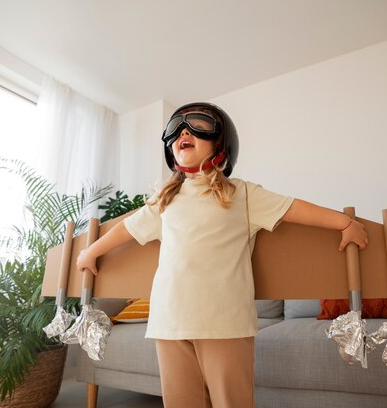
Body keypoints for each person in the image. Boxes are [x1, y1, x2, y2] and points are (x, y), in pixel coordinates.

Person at [77, 102, 368, 408]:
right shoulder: (164, 201)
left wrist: (344, 222)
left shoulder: (240, 193)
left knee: (232, 401)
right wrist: (91, 252)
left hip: (224, 322)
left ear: (221, 144)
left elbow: (294, 208)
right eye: (176, 130)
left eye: (196, 127)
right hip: (169, 320)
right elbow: (126, 230)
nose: (183, 133)